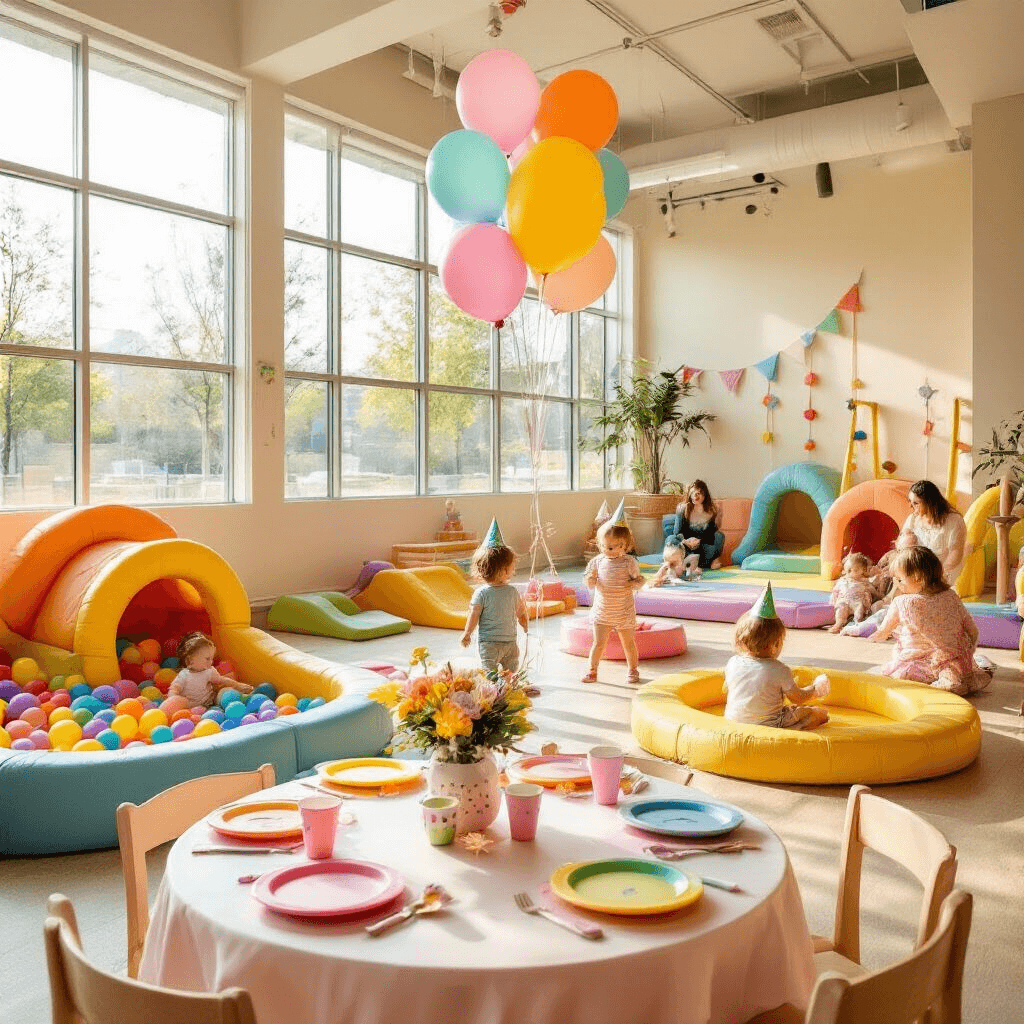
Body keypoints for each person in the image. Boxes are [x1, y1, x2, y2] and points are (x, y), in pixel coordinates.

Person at [870, 545, 994, 695]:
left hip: (918, 665)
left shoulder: (903, 602)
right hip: (954, 662)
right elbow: (972, 630)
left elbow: (883, 632)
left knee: (883, 672)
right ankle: (954, 678)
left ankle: (941, 683)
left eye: (900, 580)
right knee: (955, 667)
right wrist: (968, 652)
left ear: (917, 578)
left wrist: (875, 636)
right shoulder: (950, 595)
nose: (899, 585)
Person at [724, 583, 830, 730]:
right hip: (771, 724)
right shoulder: (779, 669)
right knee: (819, 714)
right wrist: (815, 689)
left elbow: (730, 690)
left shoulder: (733, 662)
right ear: (775, 644)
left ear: (741, 639)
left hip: (734, 720)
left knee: (790, 709)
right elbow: (798, 698)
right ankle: (792, 731)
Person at [582, 502, 645, 684]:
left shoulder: (629, 562)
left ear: (624, 547)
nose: (605, 551)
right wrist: (591, 581)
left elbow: (638, 581)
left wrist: (636, 582)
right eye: (603, 546)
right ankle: (592, 670)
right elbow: (588, 578)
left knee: (628, 643)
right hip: (602, 611)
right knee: (598, 643)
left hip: (623, 612)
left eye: (611, 547)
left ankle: (633, 669)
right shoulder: (598, 561)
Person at [461, 518, 529, 674]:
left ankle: (499, 689)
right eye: (512, 567)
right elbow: (521, 612)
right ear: (504, 571)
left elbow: (474, 615)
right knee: (510, 670)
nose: (513, 570)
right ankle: (503, 690)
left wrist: (468, 633)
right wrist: (524, 623)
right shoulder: (509, 591)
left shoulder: (483, 592)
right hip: (504, 642)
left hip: (491, 644)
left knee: (490, 672)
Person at [903, 479, 967, 584]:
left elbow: (956, 554)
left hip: (942, 571)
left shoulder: (954, 520)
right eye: (910, 501)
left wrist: (937, 574)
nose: (911, 506)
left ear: (929, 503)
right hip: (916, 570)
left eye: (915, 503)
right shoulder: (913, 519)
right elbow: (901, 543)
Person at [169, 632, 252, 708]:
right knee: (180, 701)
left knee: (225, 691)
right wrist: (173, 700)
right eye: (207, 659)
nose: (211, 662)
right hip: (190, 706)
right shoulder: (184, 675)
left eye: (211, 658)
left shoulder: (209, 671)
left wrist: (238, 685)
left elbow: (222, 680)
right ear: (190, 660)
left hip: (209, 702)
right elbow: (174, 689)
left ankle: (237, 701)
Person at [669, 479, 724, 571]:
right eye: (694, 493)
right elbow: (677, 532)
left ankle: (710, 561)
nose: (696, 496)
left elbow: (711, 534)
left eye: (699, 493)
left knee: (719, 536)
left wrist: (699, 541)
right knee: (670, 539)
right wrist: (685, 541)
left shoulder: (711, 510)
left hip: (702, 548)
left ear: (705, 495)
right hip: (685, 547)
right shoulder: (683, 508)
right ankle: (682, 563)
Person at [828, 552, 875, 633]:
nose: (850, 572)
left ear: (862, 570)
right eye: (848, 570)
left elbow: (872, 589)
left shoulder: (864, 581)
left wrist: (877, 594)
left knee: (859, 612)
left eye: (855, 570)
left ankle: (857, 624)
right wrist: (833, 600)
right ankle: (838, 624)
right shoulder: (842, 580)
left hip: (857, 602)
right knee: (840, 609)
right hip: (844, 600)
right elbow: (836, 590)